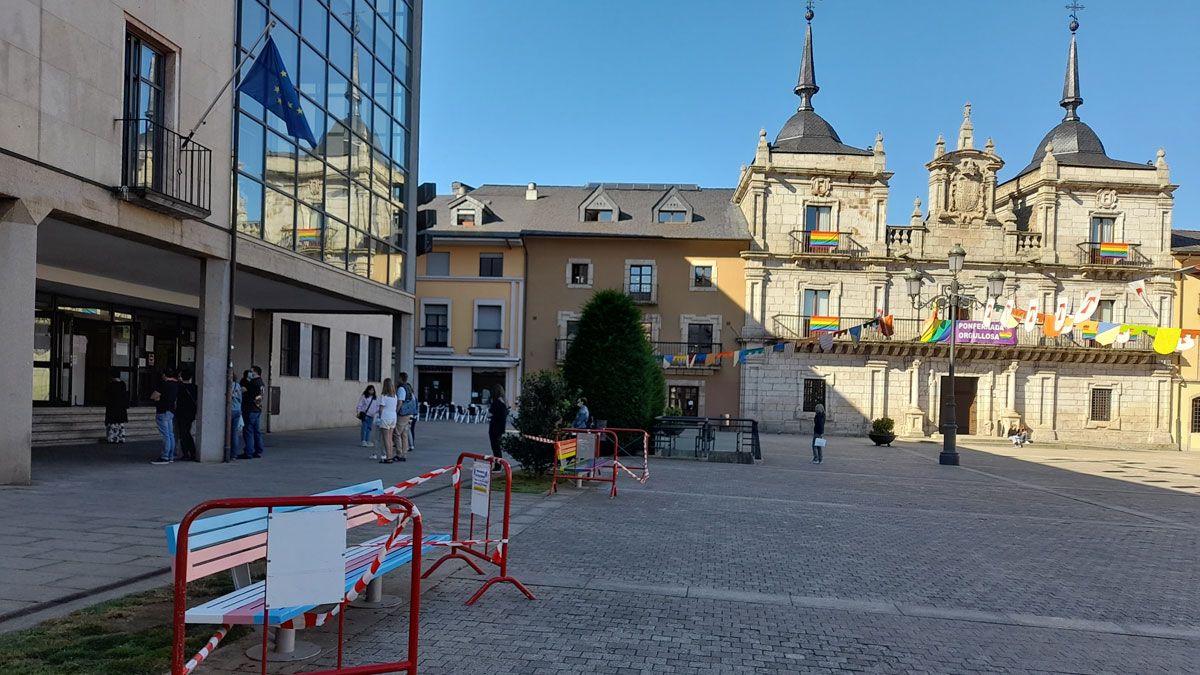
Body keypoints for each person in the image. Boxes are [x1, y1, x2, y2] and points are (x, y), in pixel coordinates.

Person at [150, 367, 179, 465]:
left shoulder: (164, 384)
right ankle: (171, 455)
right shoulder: (176, 384)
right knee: (170, 434)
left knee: (165, 434)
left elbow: (154, 396)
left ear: (164, 375)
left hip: (162, 410)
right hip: (171, 410)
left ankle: (165, 456)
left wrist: (158, 398)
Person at [240, 368, 265, 458]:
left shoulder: (252, 383)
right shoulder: (261, 383)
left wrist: (246, 380)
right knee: (257, 431)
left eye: (251, 371)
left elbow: (243, 389)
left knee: (248, 431)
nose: (250, 373)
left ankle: (249, 452)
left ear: (256, 372)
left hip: (250, 409)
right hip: (257, 409)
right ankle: (258, 450)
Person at [176, 369, 199, 461]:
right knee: (186, 431)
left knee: (183, 433)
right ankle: (190, 452)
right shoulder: (195, 387)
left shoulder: (180, 387)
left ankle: (188, 452)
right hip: (191, 412)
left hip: (181, 412)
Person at [391, 372, 414, 462]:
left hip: (402, 413)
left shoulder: (401, 388)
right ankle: (404, 453)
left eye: (398, 378)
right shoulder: (408, 387)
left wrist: (395, 412)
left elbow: (400, 402)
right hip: (408, 413)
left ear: (401, 378)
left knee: (397, 434)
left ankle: (399, 453)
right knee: (404, 434)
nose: (397, 380)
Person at [377, 378, 400, 463]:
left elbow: (381, 409)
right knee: (390, 438)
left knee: (386, 438)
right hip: (393, 417)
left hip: (385, 417)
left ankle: (388, 457)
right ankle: (390, 455)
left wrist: (379, 417)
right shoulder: (395, 396)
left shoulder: (384, 396)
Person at [104, 370, 128, 444]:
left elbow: (107, 396)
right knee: (120, 423)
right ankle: (121, 437)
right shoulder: (123, 384)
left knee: (112, 424)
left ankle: (113, 438)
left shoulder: (111, 385)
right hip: (121, 408)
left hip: (112, 407)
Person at [488, 385, 509, 468]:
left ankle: (498, 466)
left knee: (495, 448)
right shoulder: (503, 402)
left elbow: (490, 414)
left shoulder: (496, 403)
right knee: (497, 447)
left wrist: (491, 416)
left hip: (494, 428)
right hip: (500, 428)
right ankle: (498, 465)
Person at [356, 385, 379, 451]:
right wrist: (358, 412)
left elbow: (377, 406)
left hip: (372, 415)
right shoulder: (364, 397)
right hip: (365, 414)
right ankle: (363, 440)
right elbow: (359, 405)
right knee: (364, 428)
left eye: (372, 390)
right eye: (370, 390)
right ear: (367, 390)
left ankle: (367, 440)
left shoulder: (375, 398)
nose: (371, 391)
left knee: (369, 428)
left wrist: (376, 412)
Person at [229, 370, 244, 460]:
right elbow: (240, 399)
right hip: (237, 410)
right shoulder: (237, 386)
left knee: (227, 432)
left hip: (230, 410)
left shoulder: (227, 385)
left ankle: (227, 451)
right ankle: (234, 454)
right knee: (235, 433)